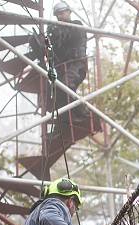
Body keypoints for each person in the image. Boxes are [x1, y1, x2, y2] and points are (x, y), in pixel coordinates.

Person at [31, 1, 88, 131]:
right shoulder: (56, 29)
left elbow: (69, 37)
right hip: (62, 67)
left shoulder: (76, 26)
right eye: (58, 15)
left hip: (76, 64)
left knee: (66, 86)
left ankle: (82, 113)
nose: (60, 17)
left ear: (69, 12)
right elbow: (51, 49)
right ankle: (64, 123)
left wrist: (55, 30)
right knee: (58, 94)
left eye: (63, 13)